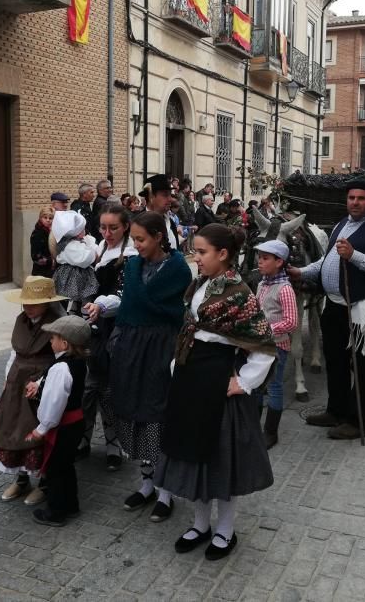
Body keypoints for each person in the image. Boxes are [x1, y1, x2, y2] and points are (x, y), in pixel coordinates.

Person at [155, 223, 275, 561]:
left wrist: (245, 381)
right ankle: (199, 523)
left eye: (202, 252)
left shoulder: (239, 293)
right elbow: (191, 328)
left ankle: (225, 530)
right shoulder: (202, 284)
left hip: (219, 387)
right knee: (193, 454)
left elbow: (263, 345)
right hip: (191, 382)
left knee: (219, 459)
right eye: (195, 250)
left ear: (223, 254)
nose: (196, 257)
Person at [290, 180, 365, 440]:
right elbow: (326, 262)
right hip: (335, 306)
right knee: (334, 360)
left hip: (361, 307)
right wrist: (300, 271)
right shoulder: (341, 225)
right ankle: (335, 411)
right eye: (351, 198)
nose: (355, 202)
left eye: (361, 198)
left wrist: (354, 256)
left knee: (361, 364)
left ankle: (357, 421)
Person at [109, 211, 191, 522]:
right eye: (134, 240)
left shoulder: (178, 270)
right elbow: (128, 305)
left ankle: (166, 491)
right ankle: (146, 483)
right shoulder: (132, 266)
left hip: (161, 348)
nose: (137, 246)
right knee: (133, 413)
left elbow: (169, 311)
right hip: (130, 349)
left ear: (159, 236)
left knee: (157, 415)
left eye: (141, 240)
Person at [0, 276, 66, 507]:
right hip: (16, 383)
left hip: (39, 385)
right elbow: (15, 353)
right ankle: (21, 479)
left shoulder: (57, 324)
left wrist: (42, 383)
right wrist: (7, 379)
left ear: (47, 302)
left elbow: (60, 360)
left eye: (34, 302)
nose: (28, 307)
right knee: (11, 428)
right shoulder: (21, 320)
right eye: (26, 302)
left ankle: (43, 483)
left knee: (36, 431)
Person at [79, 205, 136, 469]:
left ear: (125, 226)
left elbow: (125, 295)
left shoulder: (131, 254)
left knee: (109, 388)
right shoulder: (99, 247)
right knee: (88, 386)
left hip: (116, 328)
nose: (107, 232)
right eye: (103, 227)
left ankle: (114, 444)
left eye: (113, 227)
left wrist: (100, 305)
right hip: (94, 324)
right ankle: (84, 439)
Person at [23, 315, 91, 527]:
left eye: (53, 337)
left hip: (63, 425)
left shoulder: (60, 368)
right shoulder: (77, 362)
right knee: (66, 465)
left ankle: (56, 511)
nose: (50, 341)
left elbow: (53, 403)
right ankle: (71, 504)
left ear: (65, 342)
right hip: (76, 422)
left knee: (55, 469)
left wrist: (42, 428)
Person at [253, 239, 298, 449]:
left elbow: (291, 321)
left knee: (274, 386)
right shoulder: (262, 284)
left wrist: (267, 329)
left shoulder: (285, 289)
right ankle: (252, 427)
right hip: (258, 345)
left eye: (265, 258)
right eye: (259, 258)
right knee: (256, 385)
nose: (260, 262)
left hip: (277, 346)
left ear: (279, 262)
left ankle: (270, 432)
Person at [50, 210, 99, 312]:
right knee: (73, 297)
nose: (85, 231)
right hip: (71, 276)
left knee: (81, 297)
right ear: (76, 232)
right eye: (82, 229)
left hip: (80, 275)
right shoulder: (69, 246)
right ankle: (74, 313)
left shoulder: (77, 241)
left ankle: (79, 311)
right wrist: (94, 253)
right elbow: (84, 259)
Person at [140, 174, 179, 249]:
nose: (170, 199)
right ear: (151, 197)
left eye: (170, 195)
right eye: (165, 195)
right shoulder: (137, 224)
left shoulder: (170, 223)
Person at [30, 206, 55, 277]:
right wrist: (51, 261)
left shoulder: (51, 231)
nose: (48, 220)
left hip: (51, 271)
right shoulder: (37, 233)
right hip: (40, 272)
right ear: (40, 218)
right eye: (45, 217)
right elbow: (35, 256)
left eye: (50, 218)